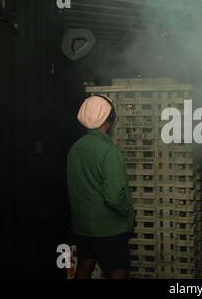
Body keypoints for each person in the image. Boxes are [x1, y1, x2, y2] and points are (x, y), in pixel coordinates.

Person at [67, 95, 134, 279]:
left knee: (84, 266)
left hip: (82, 226)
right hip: (109, 228)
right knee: (118, 271)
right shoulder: (110, 152)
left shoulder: (75, 148)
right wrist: (127, 212)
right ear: (109, 120)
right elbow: (113, 197)